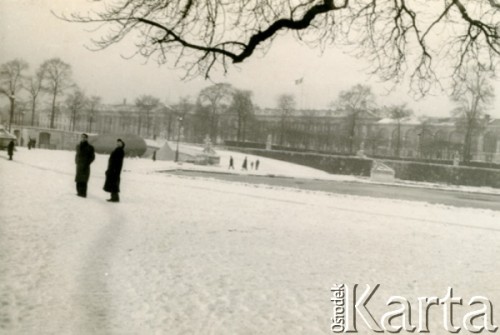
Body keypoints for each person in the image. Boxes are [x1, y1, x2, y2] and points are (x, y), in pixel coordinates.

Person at [75, 133, 95, 198]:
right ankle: (78, 192)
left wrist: (87, 163)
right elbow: (77, 155)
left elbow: (92, 157)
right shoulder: (78, 146)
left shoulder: (90, 147)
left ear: (87, 138)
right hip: (79, 165)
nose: (83, 138)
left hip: (85, 166)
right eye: (82, 137)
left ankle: (83, 194)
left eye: (84, 137)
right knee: (78, 180)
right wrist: (76, 161)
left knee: (84, 180)